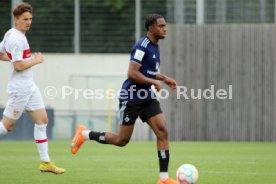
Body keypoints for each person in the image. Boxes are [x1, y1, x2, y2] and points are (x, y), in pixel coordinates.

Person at [70, 14, 178, 184]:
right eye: (161, 26)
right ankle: (84, 134)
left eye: (165, 25)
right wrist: (153, 82)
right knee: (122, 140)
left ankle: (163, 178)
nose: (165, 29)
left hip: (147, 97)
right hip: (131, 97)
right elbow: (132, 73)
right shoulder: (142, 46)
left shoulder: (155, 46)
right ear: (151, 28)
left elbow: (147, 71)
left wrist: (163, 78)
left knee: (162, 131)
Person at [0, 2, 65, 174]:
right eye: (25, 19)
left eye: (30, 19)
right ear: (16, 19)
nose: (28, 22)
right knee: (7, 127)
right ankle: (45, 162)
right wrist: (36, 60)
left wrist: (15, 58)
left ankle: (45, 163)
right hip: (20, 89)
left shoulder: (14, 34)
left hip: (30, 87)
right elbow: (19, 67)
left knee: (42, 121)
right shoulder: (15, 39)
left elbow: (1, 54)